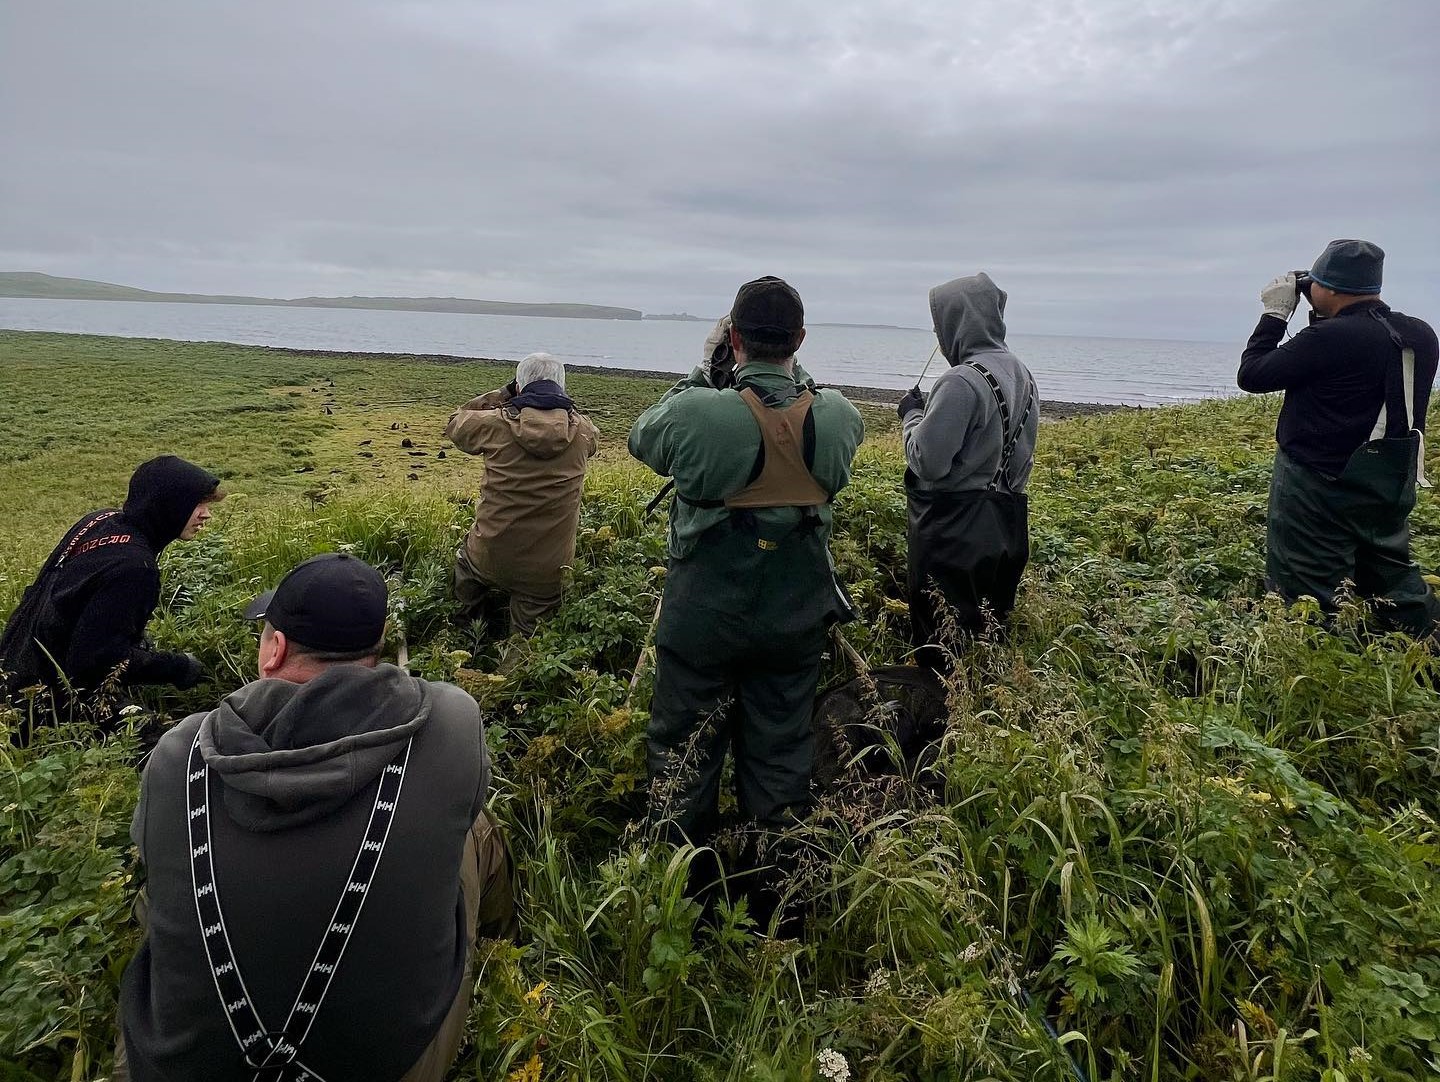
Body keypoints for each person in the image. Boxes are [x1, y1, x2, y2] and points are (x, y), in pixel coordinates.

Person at [114, 552, 516, 1082]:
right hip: (383, 1063)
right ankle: (506, 956)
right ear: (378, 646)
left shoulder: (178, 755)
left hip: (185, 1066)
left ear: (274, 648)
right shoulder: (451, 722)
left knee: (159, 885)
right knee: (477, 830)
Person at [629, 276, 865, 845]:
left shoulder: (699, 414)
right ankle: (775, 882)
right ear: (801, 339)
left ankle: (680, 885)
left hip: (703, 614)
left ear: (732, 338)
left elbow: (644, 438)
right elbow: (803, 403)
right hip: (795, 614)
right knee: (783, 751)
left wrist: (704, 372)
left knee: (683, 751)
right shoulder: (838, 416)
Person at [1238, 239, 1440, 635]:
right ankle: (1425, 649)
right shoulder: (1419, 333)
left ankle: (1317, 662)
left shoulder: (1329, 339)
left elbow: (1253, 375)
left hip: (1320, 481)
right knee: (1392, 576)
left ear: (1328, 288)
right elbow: (1352, 360)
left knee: (1308, 587)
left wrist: (1276, 313)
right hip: (1389, 478)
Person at [0, 455, 222, 728]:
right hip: (45, 708)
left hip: (14, 667)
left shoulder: (98, 521)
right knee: (171, 738)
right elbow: (97, 663)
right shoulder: (135, 569)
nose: (206, 514)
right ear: (167, 503)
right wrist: (178, 667)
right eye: (196, 504)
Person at [897, 272, 1039, 665]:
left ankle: (940, 719)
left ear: (955, 321)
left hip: (953, 533)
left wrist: (911, 416)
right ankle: (983, 716)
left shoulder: (960, 380)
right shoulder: (1022, 373)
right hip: (1007, 527)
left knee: (940, 648)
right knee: (987, 642)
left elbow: (928, 460)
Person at [445, 352, 599, 636]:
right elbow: (592, 444)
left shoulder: (494, 424)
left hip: (490, 553)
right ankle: (516, 669)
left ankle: (465, 632)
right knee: (527, 645)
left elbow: (455, 423)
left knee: (467, 570)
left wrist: (503, 393)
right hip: (547, 569)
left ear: (519, 387)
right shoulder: (584, 432)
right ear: (561, 389)